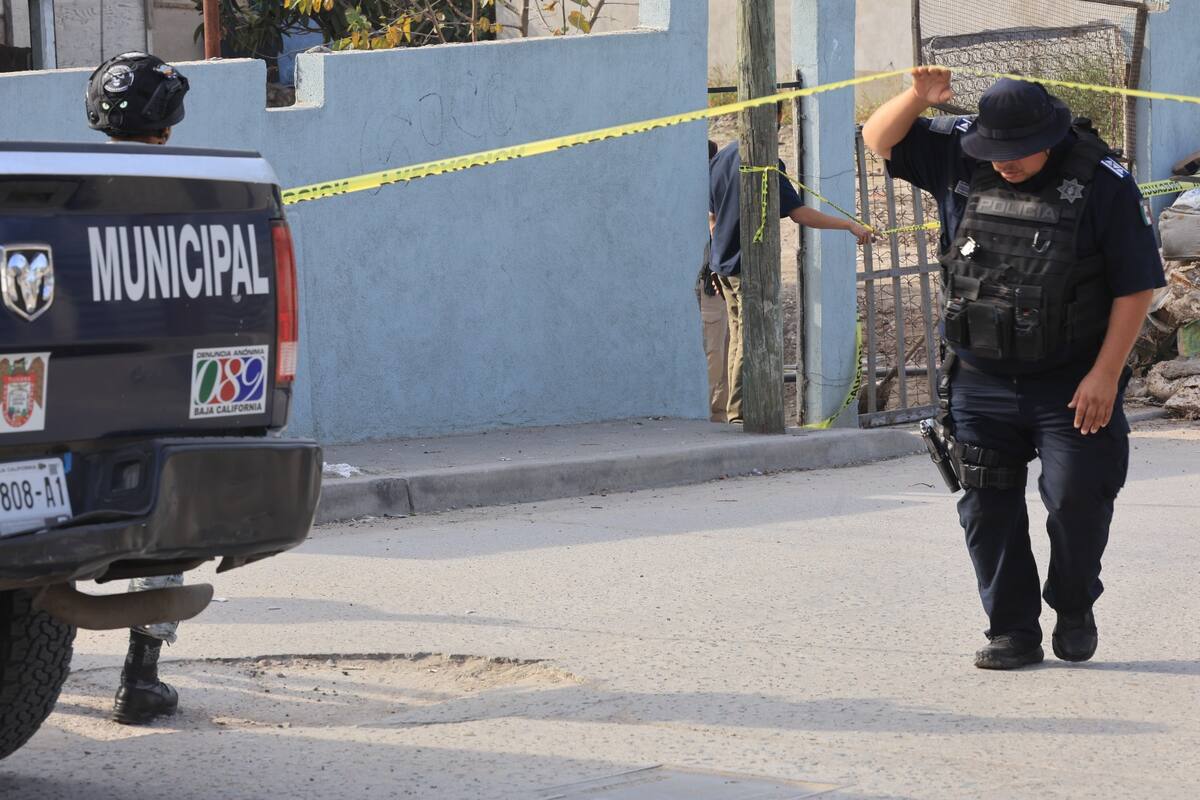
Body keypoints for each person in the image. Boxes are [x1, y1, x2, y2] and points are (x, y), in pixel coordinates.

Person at [863, 68, 1164, 670]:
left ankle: (1073, 604)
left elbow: (1136, 287)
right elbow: (880, 140)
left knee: (1077, 499)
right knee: (985, 505)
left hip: (1071, 381)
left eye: (1018, 153)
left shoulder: (1102, 181)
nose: (1004, 163)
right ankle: (1012, 630)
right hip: (981, 376)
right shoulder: (964, 152)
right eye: (994, 152)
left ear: (1049, 138)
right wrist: (917, 98)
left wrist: (1106, 375)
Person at [85, 51, 191, 722]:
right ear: (167, 123)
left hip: (65, 391)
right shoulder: (184, 189)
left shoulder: (62, 183)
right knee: (162, 522)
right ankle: (139, 676)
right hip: (151, 383)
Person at [709, 103, 872, 424]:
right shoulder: (764, 161)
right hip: (747, 265)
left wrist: (716, 258)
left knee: (738, 338)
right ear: (778, 118)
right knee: (749, 339)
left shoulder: (723, 156)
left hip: (725, 264)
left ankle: (735, 410)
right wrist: (848, 225)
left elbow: (712, 217)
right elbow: (799, 214)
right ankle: (739, 414)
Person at [700, 139, 730, 422]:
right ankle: (713, 414)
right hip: (711, 281)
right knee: (715, 350)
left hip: (717, 279)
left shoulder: (710, 186)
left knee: (721, 350)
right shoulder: (708, 187)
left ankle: (719, 414)